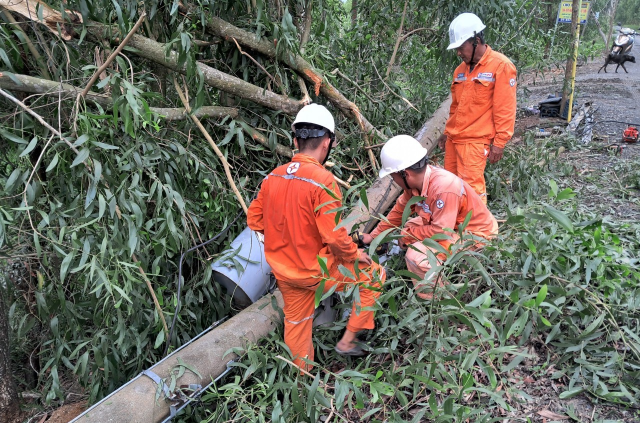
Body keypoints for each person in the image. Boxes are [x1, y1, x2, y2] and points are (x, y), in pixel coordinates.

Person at [247, 104, 386, 369]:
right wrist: (355, 254)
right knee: (374, 276)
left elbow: (254, 220)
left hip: (285, 273)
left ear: (296, 141)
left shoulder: (271, 178)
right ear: (327, 142)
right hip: (317, 272)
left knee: (296, 324)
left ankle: (303, 380)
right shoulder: (323, 181)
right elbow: (334, 237)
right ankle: (349, 340)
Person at [360, 135, 498, 299]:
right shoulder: (416, 184)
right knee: (409, 224)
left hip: (474, 234)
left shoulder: (443, 187)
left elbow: (442, 232)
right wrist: (373, 236)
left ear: (405, 174)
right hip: (451, 224)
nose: (393, 181)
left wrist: (408, 236)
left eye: (393, 176)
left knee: (415, 256)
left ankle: (439, 300)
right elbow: (398, 213)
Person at [436, 12, 517, 204]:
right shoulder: (460, 71)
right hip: (454, 139)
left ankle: (477, 231)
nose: (458, 53)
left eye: (461, 48)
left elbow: (505, 107)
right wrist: (446, 132)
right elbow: (455, 107)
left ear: (476, 41)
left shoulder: (501, 66)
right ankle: (454, 225)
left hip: (474, 141)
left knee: (471, 190)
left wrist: (500, 142)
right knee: (451, 186)